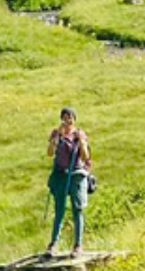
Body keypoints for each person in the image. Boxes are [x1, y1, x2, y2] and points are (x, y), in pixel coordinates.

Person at [46, 106, 94, 257]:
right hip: (61, 175)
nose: (67, 120)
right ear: (61, 119)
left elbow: (86, 157)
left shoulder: (80, 134)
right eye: (65, 117)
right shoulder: (57, 134)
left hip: (76, 175)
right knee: (59, 210)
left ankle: (78, 245)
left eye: (70, 117)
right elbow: (49, 153)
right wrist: (56, 139)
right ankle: (53, 244)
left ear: (74, 119)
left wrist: (81, 142)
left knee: (77, 209)